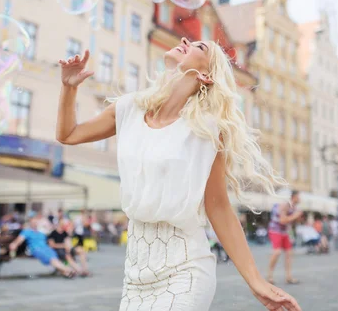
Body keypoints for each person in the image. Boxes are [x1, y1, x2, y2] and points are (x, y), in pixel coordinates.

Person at [55, 42, 301, 310]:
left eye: (200, 46)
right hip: (135, 276)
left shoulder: (207, 130)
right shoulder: (130, 108)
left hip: (186, 269)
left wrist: (257, 282)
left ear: (206, 75)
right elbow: (69, 134)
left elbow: (218, 207)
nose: (184, 42)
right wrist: (69, 88)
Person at [8, 215, 76, 278]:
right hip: (36, 249)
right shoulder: (27, 231)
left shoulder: (41, 233)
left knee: (54, 258)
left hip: (46, 248)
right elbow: (19, 239)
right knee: (52, 259)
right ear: (30, 223)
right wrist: (14, 244)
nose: (35, 224)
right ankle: (68, 270)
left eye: (36, 222)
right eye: (33, 222)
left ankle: (65, 272)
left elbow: (50, 237)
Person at [266, 190, 303, 284]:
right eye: (299, 196)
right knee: (277, 252)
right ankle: (269, 276)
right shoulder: (286, 205)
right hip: (275, 230)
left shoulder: (294, 207)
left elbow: (292, 221)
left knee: (289, 253)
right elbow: (282, 220)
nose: (300, 199)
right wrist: (295, 216)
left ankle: (289, 277)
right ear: (294, 197)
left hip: (285, 231)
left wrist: (298, 217)